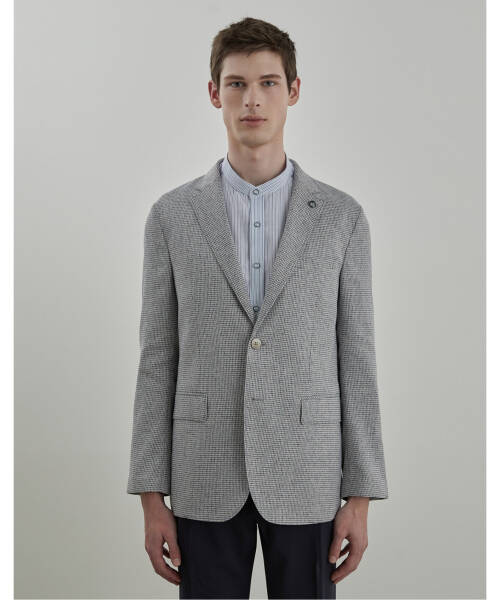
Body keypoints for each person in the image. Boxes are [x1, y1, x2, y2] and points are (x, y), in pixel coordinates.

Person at [127, 16, 388, 600]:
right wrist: (150, 495)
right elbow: (157, 357)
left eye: (268, 83)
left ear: (293, 91)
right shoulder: (171, 217)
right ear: (214, 93)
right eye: (237, 84)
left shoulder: (341, 218)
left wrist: (361, 495)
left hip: (307, 471)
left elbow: (357, 359)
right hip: (204, 472)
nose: (252, 99)